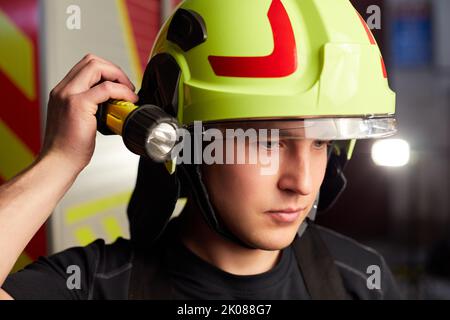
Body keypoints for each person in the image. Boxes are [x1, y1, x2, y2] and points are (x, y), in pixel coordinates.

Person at [0, 0, 401, 300]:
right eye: (265, 142)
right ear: (181, 140)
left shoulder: (362, 278)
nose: (303, 182)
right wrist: (60, 160)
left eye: (320, 142)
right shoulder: (93, 286)